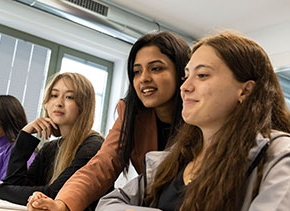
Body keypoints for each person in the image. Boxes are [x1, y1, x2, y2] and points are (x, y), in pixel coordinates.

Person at [96, 31, 290, 211]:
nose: (185, 87)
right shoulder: (174, 159)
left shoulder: (279, 156)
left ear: (245, 91)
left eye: (202, 75)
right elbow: (108, 204)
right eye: (186, 76)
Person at [27, 30, 190, 211]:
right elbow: (104, 163)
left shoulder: (200, 117)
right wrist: (63, 204)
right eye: (136, 71)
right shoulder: (132, 113)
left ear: (182, 71)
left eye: (156, 68)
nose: (144, 78)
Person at [0, 72, 104, 209]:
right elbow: (16, 185)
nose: (59, 103)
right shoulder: (50, 148)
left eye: (69, 97)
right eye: (54, 95)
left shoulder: (93, 145)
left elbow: (54, 194)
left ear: (84, 107)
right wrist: (24, 135)